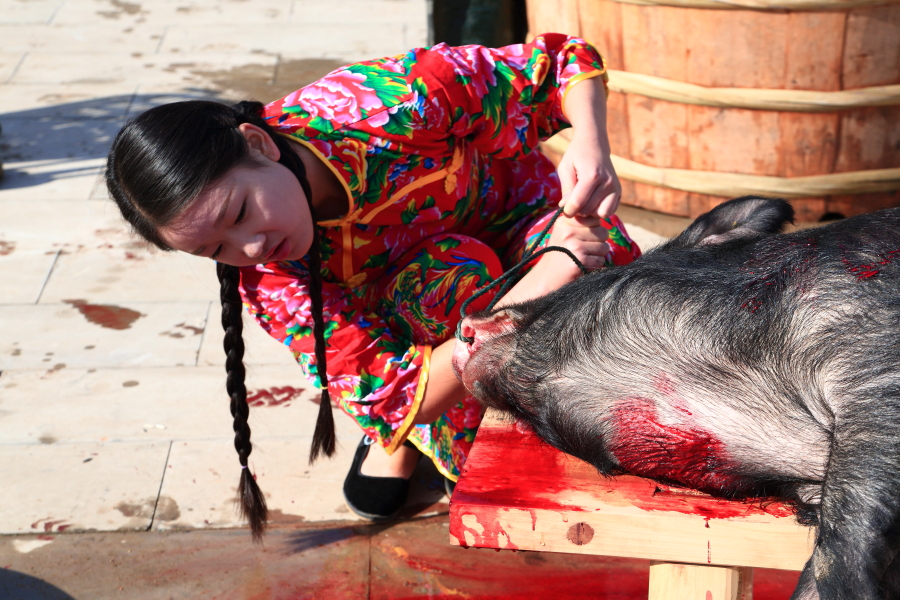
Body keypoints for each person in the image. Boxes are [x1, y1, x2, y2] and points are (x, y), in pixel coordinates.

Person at [105, 32, 641, 540]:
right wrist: (535, 289)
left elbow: (561, 62)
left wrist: (591, 147)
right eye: (212, 250)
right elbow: (394, 396)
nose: (248, 249)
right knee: (450, 285)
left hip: (524, 219)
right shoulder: (270, 282)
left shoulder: (380, 105)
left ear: (258, 144)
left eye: (240, 211)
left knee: (617, 288)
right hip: (437, 306)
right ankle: (425, 438)